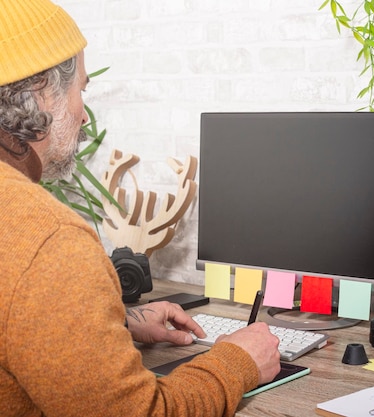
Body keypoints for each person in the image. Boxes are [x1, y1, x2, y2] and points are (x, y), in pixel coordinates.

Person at [0, 1, 281, 416]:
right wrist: (238, 360)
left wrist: (119, 323)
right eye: (82, 88)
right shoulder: (49, 240)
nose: (83, 117)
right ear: (41, 90)